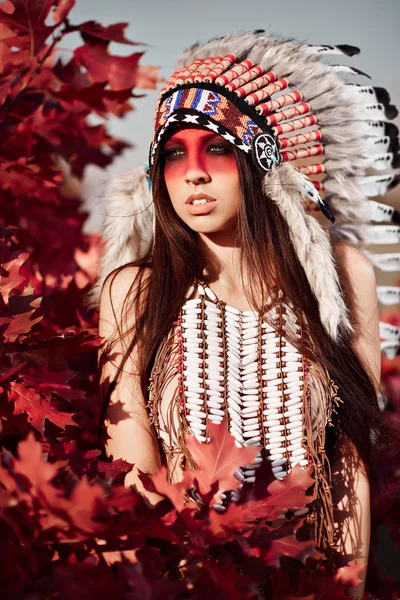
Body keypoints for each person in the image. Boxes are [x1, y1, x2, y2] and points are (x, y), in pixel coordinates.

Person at [90, 31, 399, 595]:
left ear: (263, 165)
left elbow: (349, 456)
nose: (194, 173)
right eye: (174, 154)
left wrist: (347, 584)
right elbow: (131, 472)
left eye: (219, 149)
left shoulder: (336, 275)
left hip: (308, 573)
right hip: (184, 577)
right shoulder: (134, 291)